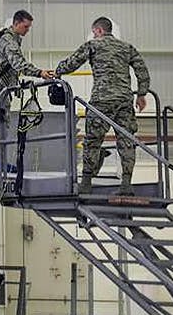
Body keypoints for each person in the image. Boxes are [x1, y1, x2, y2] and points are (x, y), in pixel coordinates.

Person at [53, 16, 150, 195]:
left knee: (93, 141)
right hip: (124, 101)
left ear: (98, 30)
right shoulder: (127, 47)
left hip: (101, 101)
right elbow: (142, 70)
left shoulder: (93, 45)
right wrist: (142, 94)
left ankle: (87, 182)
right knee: (126, 141)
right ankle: (127, 184)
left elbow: (73, 62)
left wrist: (57, 72)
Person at [0, 9, 52, 111]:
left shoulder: (11, 39)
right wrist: (39, 73)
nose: (27, 30)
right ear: (16, 23)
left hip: (1, 87)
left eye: (29, 27)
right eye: (25, 26)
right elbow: (19, 64)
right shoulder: (9, 41)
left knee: (1, 122)